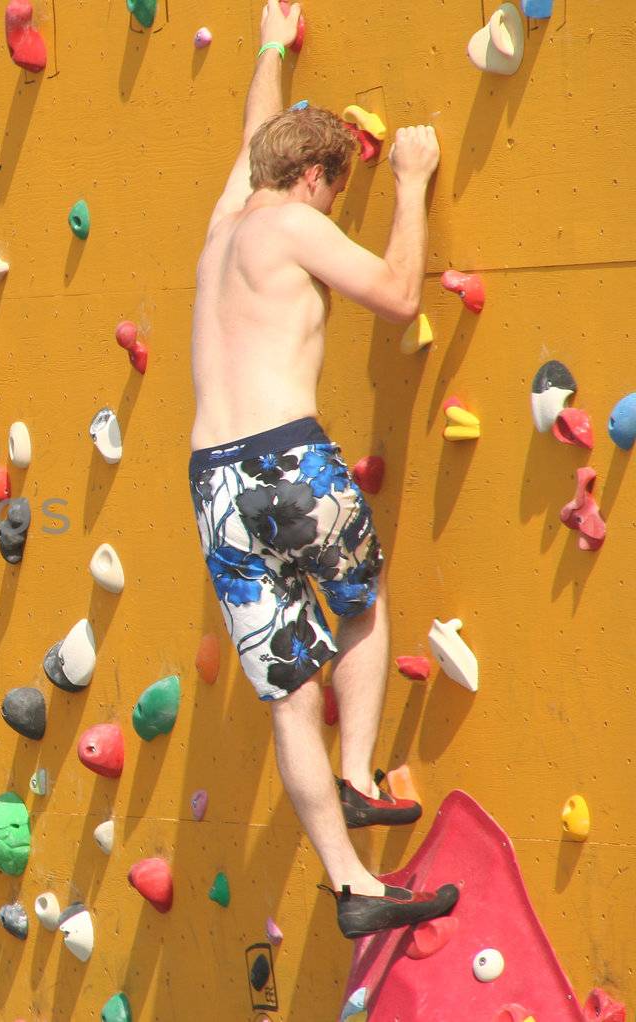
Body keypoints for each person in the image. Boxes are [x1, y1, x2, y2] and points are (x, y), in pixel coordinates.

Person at [188, 0, 458, 938]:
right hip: (281, 458)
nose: (335, 205)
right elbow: (392, 294)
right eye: (336, 189)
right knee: (365, 602)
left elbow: (255, 136)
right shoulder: (294, 226)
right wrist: (413, 183)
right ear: (313, 178)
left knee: (290, 692)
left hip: (213, 482)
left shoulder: (224, 224)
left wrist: (271, 45)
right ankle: (357, 778)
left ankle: (354, 886)